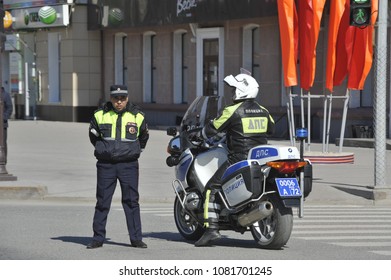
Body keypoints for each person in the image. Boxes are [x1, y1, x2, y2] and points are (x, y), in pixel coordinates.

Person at [194, 72, 275, 247]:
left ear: (241, 91)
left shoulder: (232, 110)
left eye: (234, 89)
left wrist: (197, 135)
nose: (232, 93)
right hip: (260, 158)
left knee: (211, 188)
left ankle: (211, 229)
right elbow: (271, 129)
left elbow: (212, 129)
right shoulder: (264, 110)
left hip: (239, 158)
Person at [87, 85, 149, 249]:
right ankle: (98, 238)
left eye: (122, 98)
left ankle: (136, 239)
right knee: (102, 202)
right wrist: (105, 150)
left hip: (128, 165)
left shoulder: (137, 116)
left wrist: (134, 151)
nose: (119, 102)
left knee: (131, 202)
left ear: (127, 98)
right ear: (111, 98)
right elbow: (93, 137)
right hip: (106, 165)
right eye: (116, 98)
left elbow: (143, 137)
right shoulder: (100, 115)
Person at [1, 86, 13, 164]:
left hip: (2, 124)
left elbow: (10, 108)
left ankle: (3, 161)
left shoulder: (5, 95)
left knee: (2, 142)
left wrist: (4, 117)